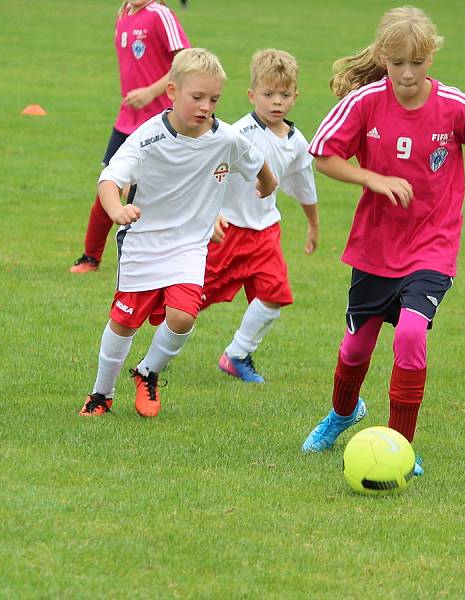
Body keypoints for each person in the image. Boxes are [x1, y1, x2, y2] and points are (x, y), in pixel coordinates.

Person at [301, 6, 465, 474]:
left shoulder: (456, 106)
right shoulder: (365, 102)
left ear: (430, 56)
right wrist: (371, 178)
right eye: (397, 64)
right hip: (375, 248)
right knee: (355, 349)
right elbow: (325, 156)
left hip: (432, 247)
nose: (407, 74)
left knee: (412, 334)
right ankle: (342, 413)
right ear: (384, 59)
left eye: (417, 63)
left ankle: (400, 446)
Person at [79, 48, 277, 418]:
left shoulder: (225, 138)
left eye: (214, 99)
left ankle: (147, 372)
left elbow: (257, 162)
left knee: (184, 316)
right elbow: (109, 180)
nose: (206, 106)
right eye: (197, 97)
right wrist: (117, 209)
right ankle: (101, 395)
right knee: (124, 322)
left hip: (189, 245)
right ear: (172, 92)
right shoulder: (148, 137)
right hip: (142, 241)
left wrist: (267, 184)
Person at [202, 49, 318, 383]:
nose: (276, 102)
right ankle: (152, 351)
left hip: (266, 231)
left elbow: (305, 186)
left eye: (284, 94)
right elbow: (209, 174)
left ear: (295, 96)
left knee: (274, 295)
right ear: (252, 95)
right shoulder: (237, 135)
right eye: (268, 94)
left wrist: (313, 225)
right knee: (192, 300)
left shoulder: (297, 142)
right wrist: (211, 215)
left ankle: (237, 354)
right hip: (227, 230)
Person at [70, 0, 190, 273]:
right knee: (108, 182)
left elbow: (186, 62)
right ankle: (91, 257)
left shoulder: (161, 15)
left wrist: (151, 91)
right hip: (127, 119)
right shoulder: (124, 12)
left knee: (156, 192)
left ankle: (172, 253)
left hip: (160, 121)